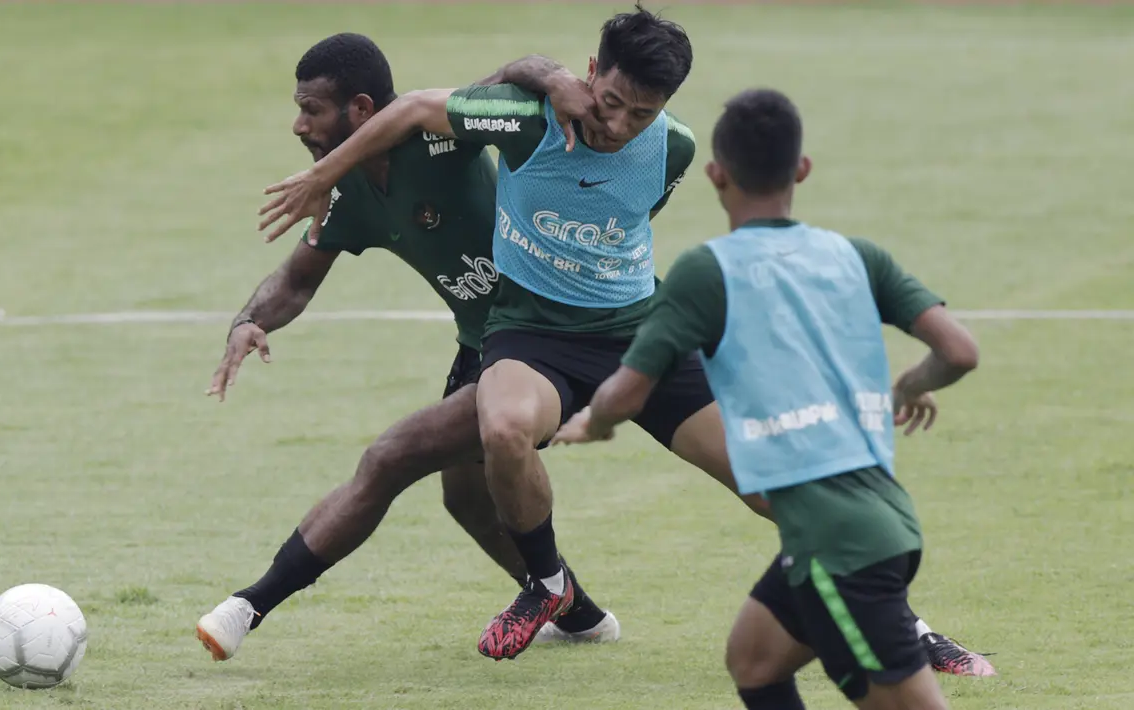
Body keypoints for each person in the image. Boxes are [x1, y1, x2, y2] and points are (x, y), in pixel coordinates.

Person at [258, 8, 994, 676]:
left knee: (774, 488)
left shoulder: (671, 148)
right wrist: (326, 175)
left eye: (641, 113)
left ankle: (908, 625)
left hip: (642, 341)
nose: (618, 125)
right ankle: (547, 586)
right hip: (533, 338)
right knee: (504, 428)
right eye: (609, 102)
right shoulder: (524, 119)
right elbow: (419, 108)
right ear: (588, 72)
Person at [550, 88, 985, 708]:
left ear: (715, 175)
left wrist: (593, 420)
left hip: (838, 545)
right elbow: (959, 350)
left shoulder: (709, 270)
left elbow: (629, 386)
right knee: (753, 659)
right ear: (801, 170)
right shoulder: (855, 255)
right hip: (880, 518)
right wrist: (911, 385)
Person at [194, 33, 621, 664]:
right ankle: (580, 615)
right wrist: (248, 320)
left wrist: (555, 77)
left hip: (544, 345)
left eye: (311, 109)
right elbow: (297, 278)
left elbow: (511, 72)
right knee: (465, 497)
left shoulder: (440, 136)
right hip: (483, 346)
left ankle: (248, 606)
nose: (298, 124)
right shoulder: (348, 191)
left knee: (390, 457)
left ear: (361, 109)